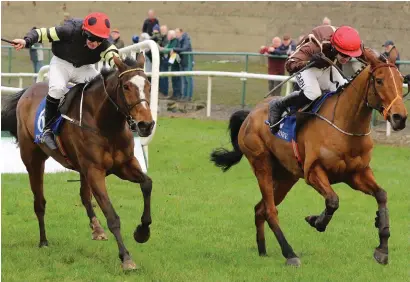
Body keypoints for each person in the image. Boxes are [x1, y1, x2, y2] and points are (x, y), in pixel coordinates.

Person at [11, 12, 120, 150]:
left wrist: (122, 68)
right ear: (84, 32)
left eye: (99, 40)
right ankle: (47, 130)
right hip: (61, 64)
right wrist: (26, 41)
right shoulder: (69, 30)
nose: (95, 43)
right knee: (57, 89)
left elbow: (114, 56)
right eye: (92, 38)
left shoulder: (103, 43)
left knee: (102, 88)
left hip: (84, 68)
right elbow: (41, 33)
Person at [268, 25, 363, 132]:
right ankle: (279, 104)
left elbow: (366, 55)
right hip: (306, 67)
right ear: (336, 48)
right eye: (344, 55)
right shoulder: (314, 46)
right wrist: (309, 62)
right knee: (313, 93)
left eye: (350, 56)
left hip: (325, 66)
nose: (347, 59)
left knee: (345, 88)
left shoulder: (350, 44)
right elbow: (290, 64)